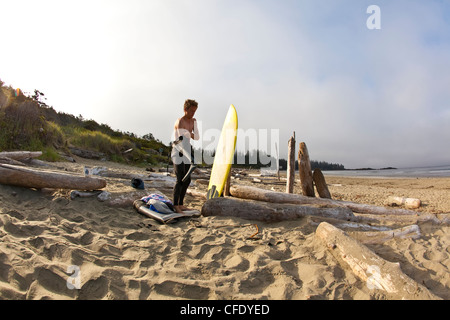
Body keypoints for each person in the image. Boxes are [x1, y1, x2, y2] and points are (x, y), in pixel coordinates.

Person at [171, 99, 199, 213]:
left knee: (187, 180)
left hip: (187, 148)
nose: (193, 113)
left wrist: (189, 133)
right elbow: (178, 140)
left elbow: (196, 137)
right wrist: (186, 134)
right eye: (191, 111)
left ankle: (181, 204)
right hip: (178, 148)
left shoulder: (194, 121)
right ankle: (175, 205)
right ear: (185, 109)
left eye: (194, 111)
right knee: (180, 178)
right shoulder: (180, 121)